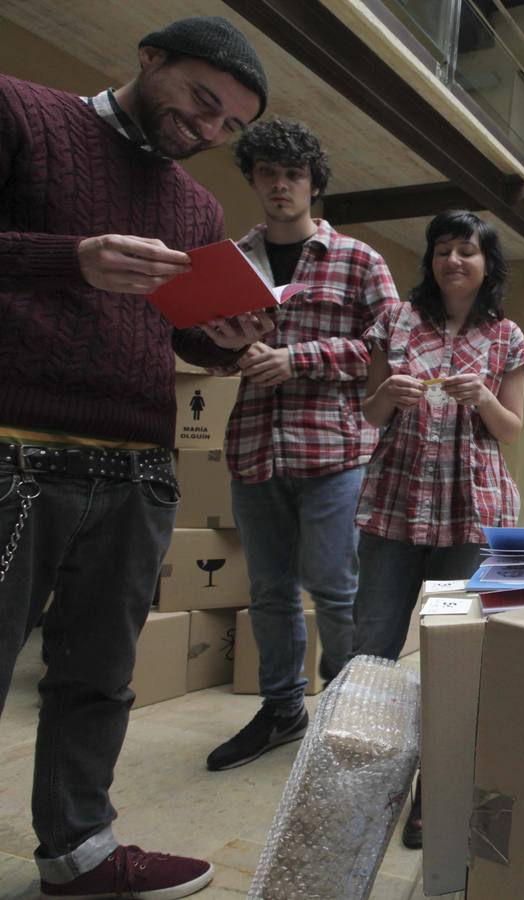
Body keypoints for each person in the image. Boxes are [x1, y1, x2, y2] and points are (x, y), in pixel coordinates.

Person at [0, 17, 272, 898]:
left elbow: (179, 331)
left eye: (228, 127)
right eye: (200, 102)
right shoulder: (20, 114)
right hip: (15, 451)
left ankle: (79, 854)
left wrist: (226, 343)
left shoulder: (196, 208)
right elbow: (56, 267)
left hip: (139, 468)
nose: (205, 133)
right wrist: (69, 258)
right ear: (149, 58)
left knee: (98, 681)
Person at [205, 120, 400, 772]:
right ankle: (283, 711)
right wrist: (230, 347)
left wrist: (300, 358)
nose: (280, 186)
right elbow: (211, 346)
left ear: (314, 183)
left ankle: (348, 718)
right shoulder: (235, 260)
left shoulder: (360, 260)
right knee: (267, 592)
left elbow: (391, 346)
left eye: (292, 175)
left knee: (338, 589)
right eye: (267, 174)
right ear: (255, 180)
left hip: (335, 452)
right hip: (255, 448)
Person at [353, 210, 524, 847]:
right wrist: (390, 396)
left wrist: (482, 396)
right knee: (370, 646)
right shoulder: (396, 321)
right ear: (430, 259)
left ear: (487, 264)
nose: (454, 260)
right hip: (395, 502)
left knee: (453, 655)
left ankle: (438, 789)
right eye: (443, 250)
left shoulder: (507, 336)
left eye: (467, 250)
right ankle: (362, 781)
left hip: (470, 512)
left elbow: (511, 430)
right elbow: (370, 414)